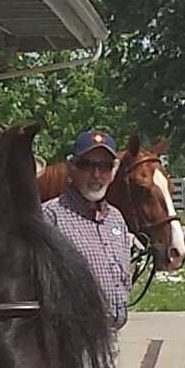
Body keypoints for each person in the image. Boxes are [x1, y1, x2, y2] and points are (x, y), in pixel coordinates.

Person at [43, 129, 132, 334]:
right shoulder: (50, 217)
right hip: (70, 341)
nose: (96, 174)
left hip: (110, 339)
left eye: (105, 166)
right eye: (86, 165)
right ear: (71, 168)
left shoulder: (116, 219)